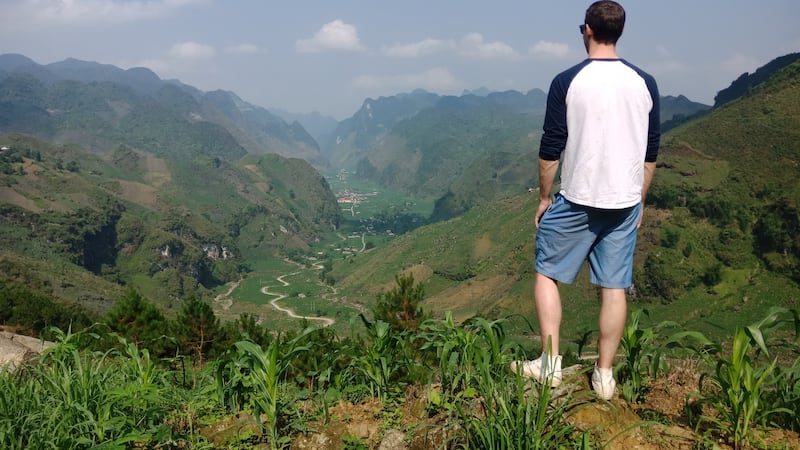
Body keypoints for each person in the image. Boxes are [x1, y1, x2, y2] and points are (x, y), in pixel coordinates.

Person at [510, 0, 660, 400]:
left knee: (546, 270)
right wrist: (640, 200)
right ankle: (605, 376)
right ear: (620, 33)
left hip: (578, 198)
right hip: (625, 201)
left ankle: (550, 364)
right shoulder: (645, 82)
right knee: (614, 285)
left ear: (587, 31)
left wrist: (544, 198)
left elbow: (551, 147)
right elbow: (651, 152)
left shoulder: (567, 80)